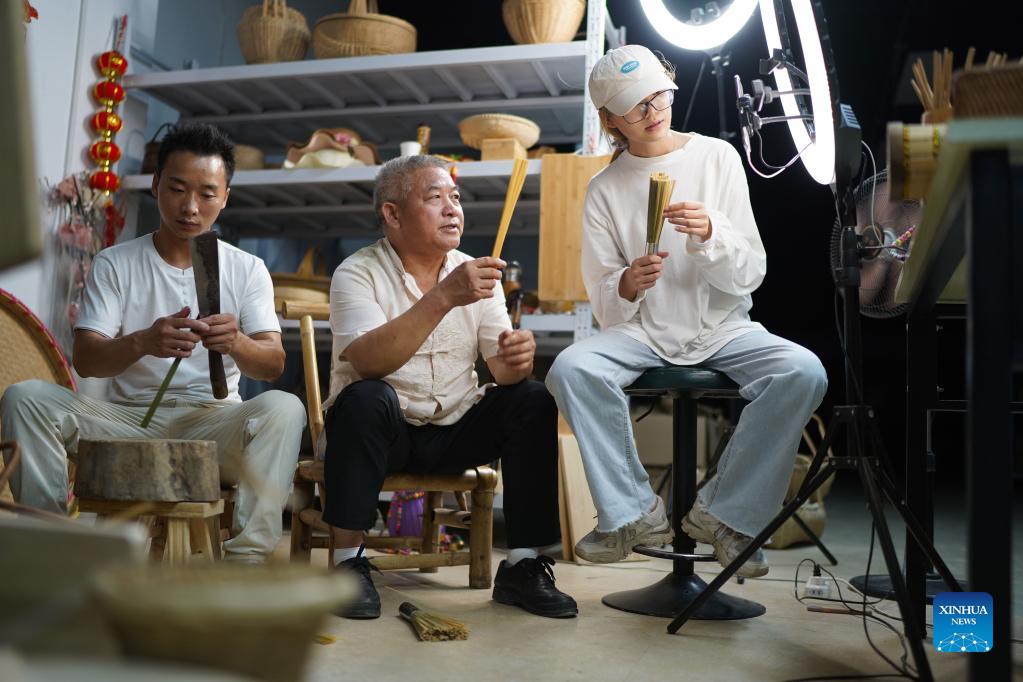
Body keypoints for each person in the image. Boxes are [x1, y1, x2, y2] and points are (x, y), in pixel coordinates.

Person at [545, 45, 828, 577]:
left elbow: (751, 273)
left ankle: (724, 515)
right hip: (642, 334)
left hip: (721, 327)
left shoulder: (716, 157)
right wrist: (626, 283)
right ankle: (633, 513)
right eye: (635, 108)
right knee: (571, 369)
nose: (653, 114)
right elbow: (605, 299)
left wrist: (711, 235)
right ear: (609, 120)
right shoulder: (604, 188)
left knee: (802, 371)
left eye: (660, 97)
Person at [0, 123, 305, 563]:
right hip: (130, 423)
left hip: (213, 426)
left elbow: (272, 364)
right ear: (157, 185)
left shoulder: (247, 268)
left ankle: (247, 563)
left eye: (206, 193)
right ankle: (54, 551)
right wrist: (143, 341)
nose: (190, 207)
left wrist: (236, 341)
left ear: (226, 197)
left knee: (284, 408)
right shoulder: (116, 262)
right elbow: (87, 361)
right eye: (178, 189)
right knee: (25, 398)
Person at [323, 155, 576, 619]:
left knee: (533, 398)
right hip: (385, 433)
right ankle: (347, 562)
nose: (452, 209)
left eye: (455, 198)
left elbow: (502, 373)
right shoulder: (356, 272)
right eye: (434, 198)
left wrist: (516, 359)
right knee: (364, 396)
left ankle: (523, 565)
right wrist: (442, 297)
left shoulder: (476, 275)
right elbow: (369, 361)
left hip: (453, 429)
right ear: (393, 214)